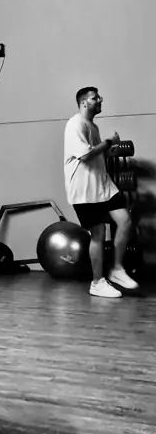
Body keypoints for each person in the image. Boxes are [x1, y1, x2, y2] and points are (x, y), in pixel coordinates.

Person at [64, 86, 139, 298]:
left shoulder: (92, 126)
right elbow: (85, 155)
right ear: (83, 103)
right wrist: (108, 143)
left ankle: (117, 269)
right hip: (84, 190)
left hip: (103, 185)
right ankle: (97, 282)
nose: (100, 100)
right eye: (95, 98)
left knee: (125, 221)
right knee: (98, 234)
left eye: (99, 97)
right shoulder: (75, 123)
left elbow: (96, 155)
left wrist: (109, 150)